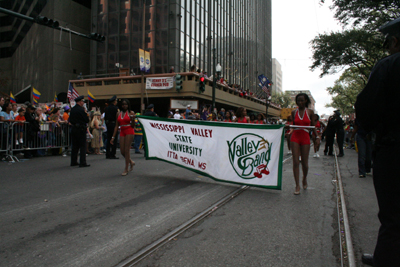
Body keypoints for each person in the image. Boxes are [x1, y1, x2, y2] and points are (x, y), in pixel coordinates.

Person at [355, 16, 400, 267]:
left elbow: (366, 111)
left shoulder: (388, 66)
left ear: (394, 40)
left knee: (393, 215)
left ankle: (387, 258)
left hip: (393, 150)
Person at [289, 93, 318, 195]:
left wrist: (317, 137)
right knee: (296, 162)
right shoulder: (293, 112)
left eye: (302, 100)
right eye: (298, 101)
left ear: (306, 101)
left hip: (305, 137)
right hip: (295, 136)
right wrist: (288, 128)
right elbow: (292, 125)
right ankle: (297, 185)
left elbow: (313, 126)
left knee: (305, 163)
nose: (300, 102)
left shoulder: (310, 112)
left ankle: (304, 178)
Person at [110, 99, 136, 176]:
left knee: (126, 150)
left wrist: (133, 119)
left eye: (126, 104)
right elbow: (116, 126)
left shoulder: (131, 112)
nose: (124, 105)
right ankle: (131, 161)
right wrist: (113, 137)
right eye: (123, 104)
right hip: (122, 130)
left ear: (128, 105)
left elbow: (133, 125)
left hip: (129, 130)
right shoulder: (118, 113)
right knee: (122, 151)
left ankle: (126, 168)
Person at [69, 96, 90, 167]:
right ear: (79, 102)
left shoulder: (72, 109)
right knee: (82, 146)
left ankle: (73, 161)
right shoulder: (81, 110)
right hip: (81, 129)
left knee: (75, 146)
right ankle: (82, 162)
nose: (83, 103)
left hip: (74, 128)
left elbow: (70, 120)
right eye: (82, 101)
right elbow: (86, 120)